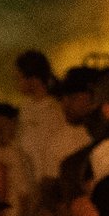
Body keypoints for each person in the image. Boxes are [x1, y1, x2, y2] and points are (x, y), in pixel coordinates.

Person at [14, 52, 89, 186]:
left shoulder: (54, 110)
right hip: (28, 179)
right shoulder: (26, 108)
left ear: (34, 79)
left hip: (47, 179)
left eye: (19, 78)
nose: (17, 82)